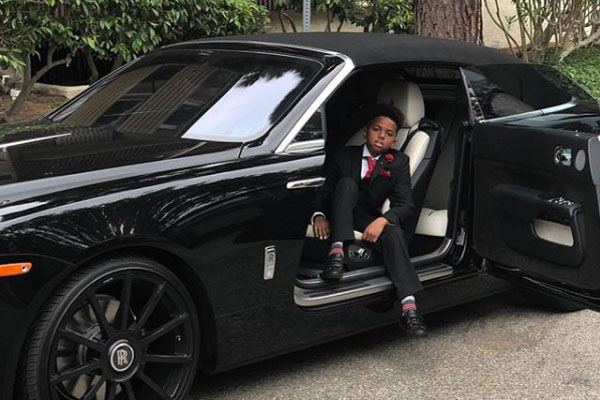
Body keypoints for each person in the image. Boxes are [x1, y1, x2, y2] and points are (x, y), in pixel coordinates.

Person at [311, 104, 427, 337]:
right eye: (376, 130)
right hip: (339, 211)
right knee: (347, 184)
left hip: (367, 218)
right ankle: (336, 254)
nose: (381, 136)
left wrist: (382, 221)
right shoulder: (344, 155)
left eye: (388, 133)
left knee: (393, 233)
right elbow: (322, 190)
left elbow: (405, 204)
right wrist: (319, 215)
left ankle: (409, 308)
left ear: (394, 140)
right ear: (366, 132)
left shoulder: (398, 162)